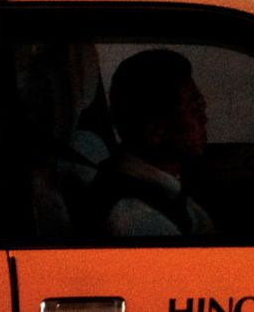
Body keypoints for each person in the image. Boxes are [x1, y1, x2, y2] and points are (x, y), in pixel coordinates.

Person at [88, 48, 215, 237]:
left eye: (201, 104)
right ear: (155, 131)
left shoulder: (164, 189)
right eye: (194, 108)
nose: (204, 119)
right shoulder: (138, 219)